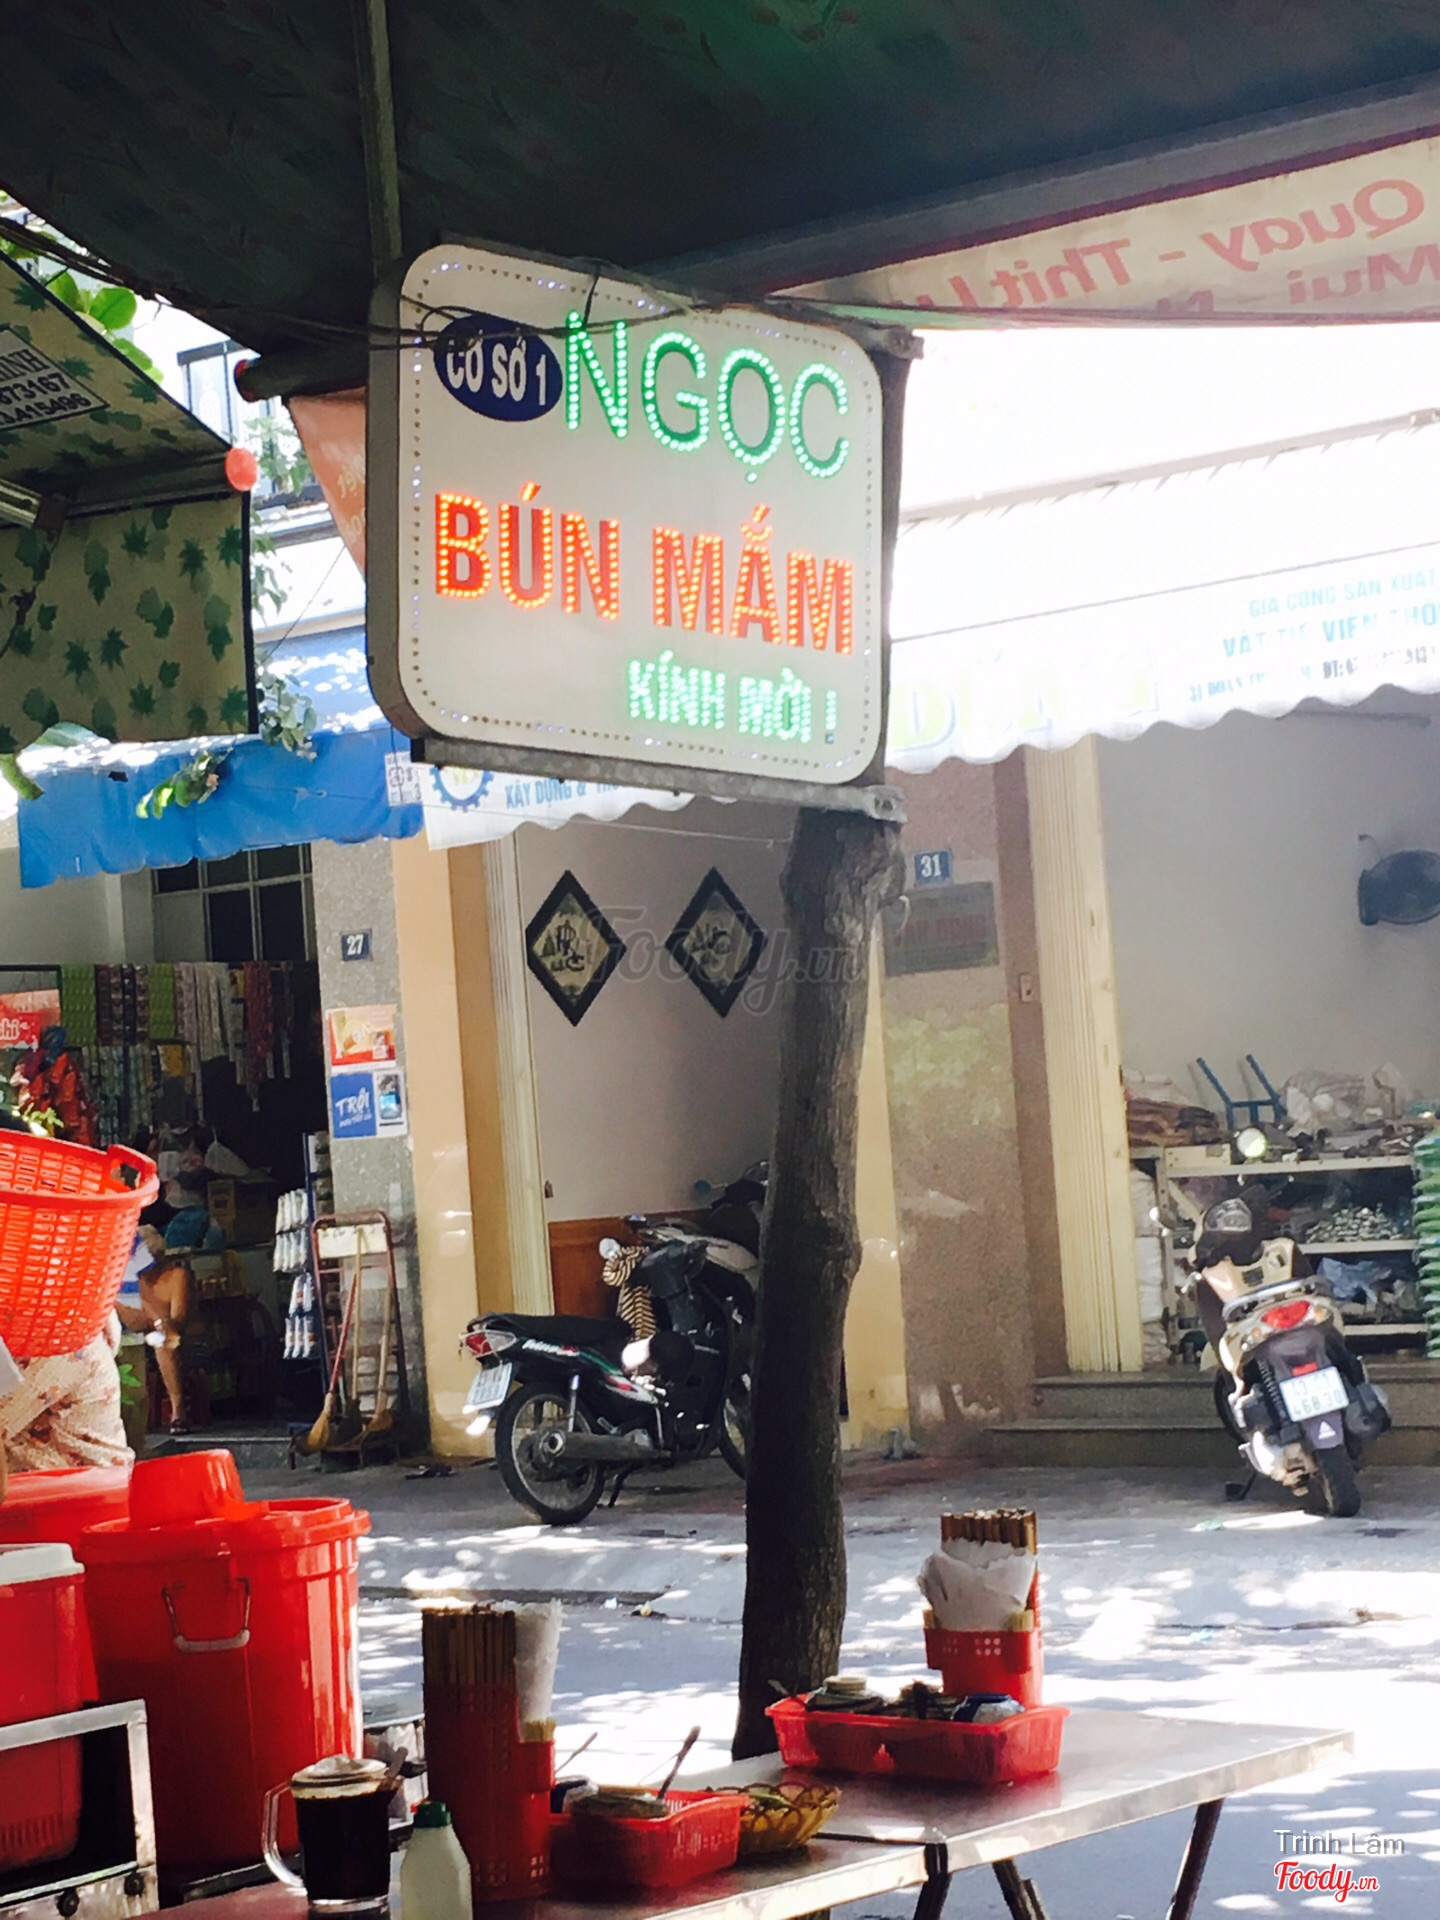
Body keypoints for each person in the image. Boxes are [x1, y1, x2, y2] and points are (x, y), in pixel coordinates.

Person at [114, 1227, 193, 1433]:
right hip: (128, 1333)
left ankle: (177, 1411)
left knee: (164, 1344)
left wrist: (158, 1322)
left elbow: (178, 1321)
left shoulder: (175, 1276)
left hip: (158, 1335)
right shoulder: (130, 1281)